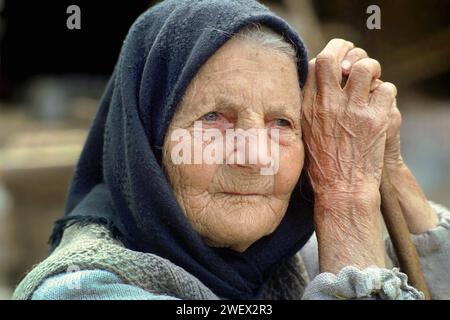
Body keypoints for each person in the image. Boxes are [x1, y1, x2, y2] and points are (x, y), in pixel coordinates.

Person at [13, 0, 449, 300]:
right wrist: (346, 198)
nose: (255, 158)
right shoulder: (84, 287)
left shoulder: (289, 255)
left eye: (282, 123)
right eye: (214, 119)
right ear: (146, 141)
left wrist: (388, 166)